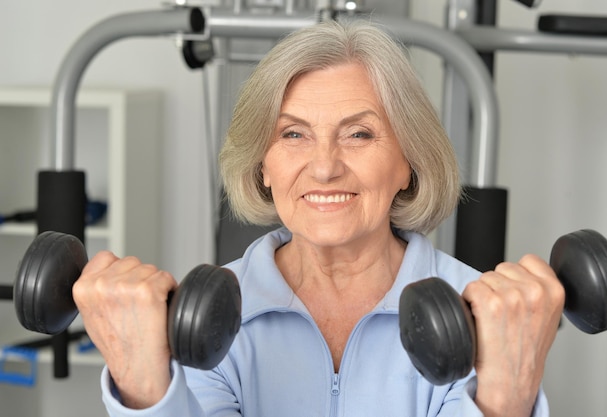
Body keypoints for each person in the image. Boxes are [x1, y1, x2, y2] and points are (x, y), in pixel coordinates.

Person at [73, 19, 565, 417]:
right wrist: (144, 386)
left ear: (409, 162)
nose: (325, 166)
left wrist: (506, 400)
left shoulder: (481, 317)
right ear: (262, 165)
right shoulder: (211, 318)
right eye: (293, 135)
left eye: (359, 135)